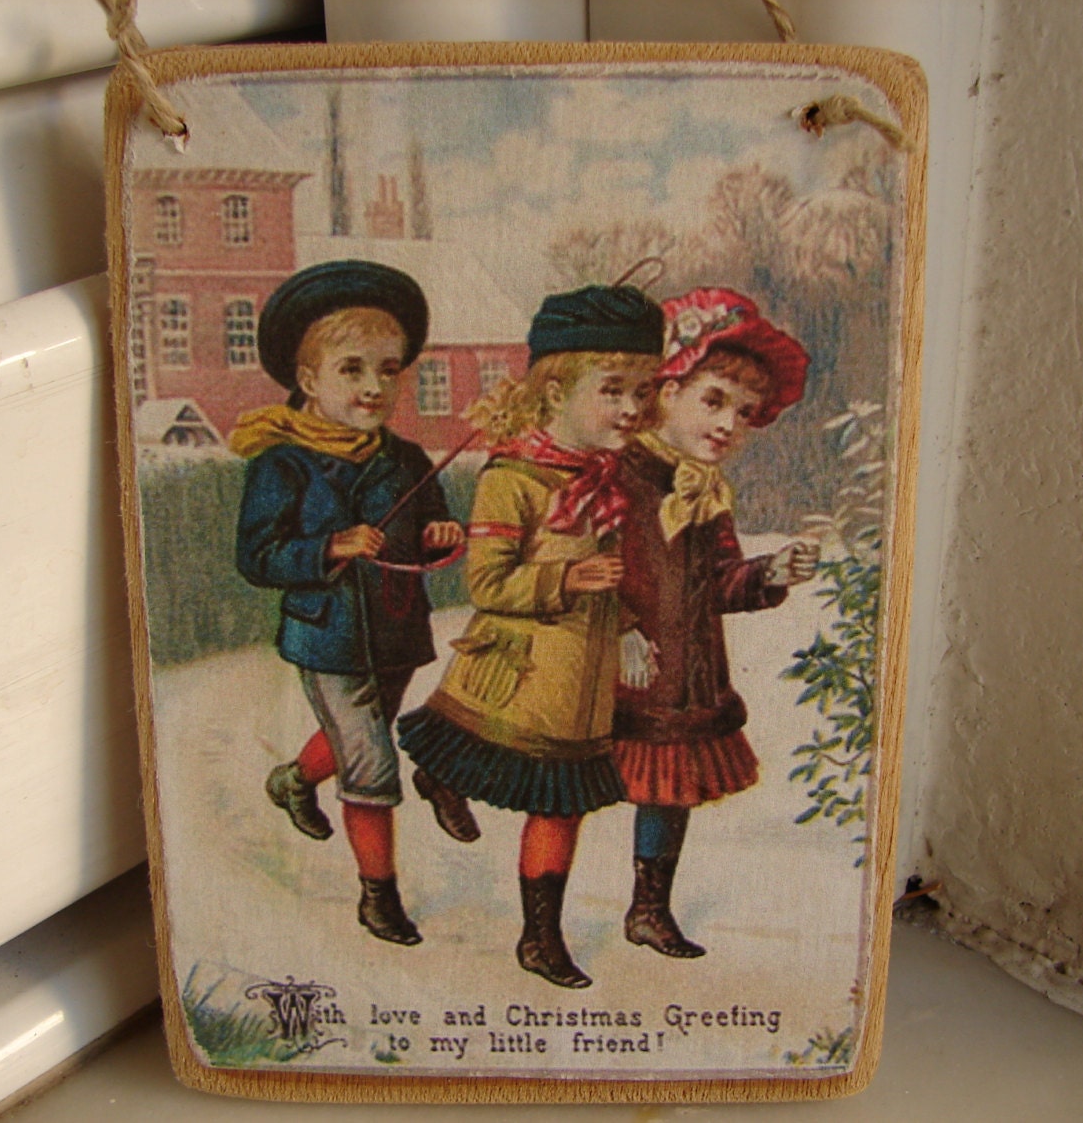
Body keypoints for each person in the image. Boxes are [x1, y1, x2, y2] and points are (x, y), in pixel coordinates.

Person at [397, 284, 664, 987]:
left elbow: (617, 573)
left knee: (562, 804)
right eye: (613, 389)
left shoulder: (604, 478)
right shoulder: (512, 477)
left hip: (580, 684)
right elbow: (485, 585)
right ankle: (535, 930)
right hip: (516, 673)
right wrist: (565, 582)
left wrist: (629, 627)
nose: (633, 409)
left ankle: (538, 936)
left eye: (644, 390)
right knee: (533, 786)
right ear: (552, 389)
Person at [232, 259, 473, 947]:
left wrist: (439, 535)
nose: (375, 386)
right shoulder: (279, 463)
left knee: (350, 742)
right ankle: (379, 897)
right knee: (370, 759)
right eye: (352, 369)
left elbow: (426, 529)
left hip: (396, 631)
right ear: (307, 380)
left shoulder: (403, 456)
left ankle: (290, 778)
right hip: (328, 637)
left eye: (389, 370)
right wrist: (330, 547)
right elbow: (256, 557)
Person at [613, 287, 819, 958]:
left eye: (746, 412)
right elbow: (578, 556)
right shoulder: (618, 475)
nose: (730, 423)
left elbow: (721, 581)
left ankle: (648, 908)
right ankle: (540, 915)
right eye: (714, 399)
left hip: (681, 673)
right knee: (562, 779)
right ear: (667, 389)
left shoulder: (705, 491)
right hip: (606, 662)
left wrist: (770, 573)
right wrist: (616, 626)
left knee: (664, 790)